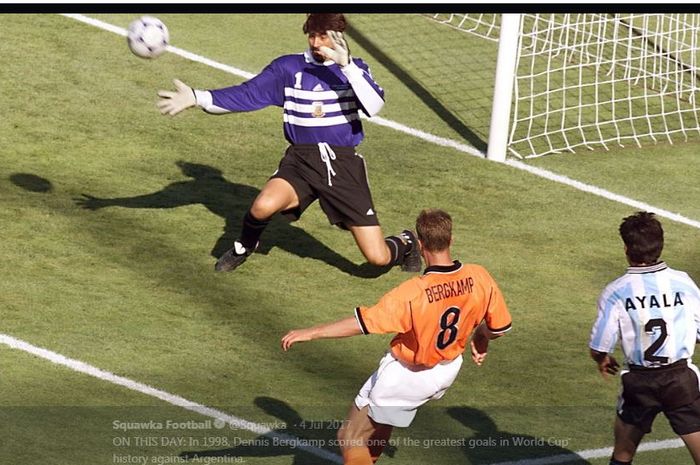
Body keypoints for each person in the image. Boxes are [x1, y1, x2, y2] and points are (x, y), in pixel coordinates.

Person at [156, 13, 420, 273]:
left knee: (377, 257)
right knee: (262, 206)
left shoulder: (355, 69)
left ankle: (408, 241)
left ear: (338, 36)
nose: (316, 43)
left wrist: (347, 65)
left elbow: (375, 106)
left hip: (342, 166)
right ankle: (243, 247)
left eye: (323, 36)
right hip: (301, 161)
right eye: (312, 35)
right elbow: (247, 94)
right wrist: (197, 97)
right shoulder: (287, 68)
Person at [281, 208, 512, 465]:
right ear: (451, 240)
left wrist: (312, 332)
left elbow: (363, 323)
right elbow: (499, 327)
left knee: (350, 436)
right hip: (446, 370)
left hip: (406, 374)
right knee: (374, 435)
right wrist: (481, 334)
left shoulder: (413, 293)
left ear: (420, 243)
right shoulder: (479, 276)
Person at [589, 211, 700, 465]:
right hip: (681, 381)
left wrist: (602, 359)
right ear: (660, 245)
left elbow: (599, 345)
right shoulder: (682, 282)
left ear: (626, 248)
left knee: (622, 454)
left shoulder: (616, 291)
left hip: (639, 383)